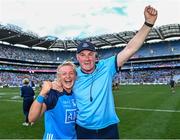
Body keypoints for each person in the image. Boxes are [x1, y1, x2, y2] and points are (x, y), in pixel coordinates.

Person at [49, 5, 158, 139]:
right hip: (83, 131)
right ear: (77, 57)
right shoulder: (73, 75)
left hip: (109, 130)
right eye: (82, 55)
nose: (87, 58)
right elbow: (58, 84)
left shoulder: (107, 67)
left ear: (96, 56)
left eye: (90, 54)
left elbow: (130, 49)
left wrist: (148, 23)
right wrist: (52, 85)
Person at [28, 61, 77, 139]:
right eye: (64, 74)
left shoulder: (77, 95)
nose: (68, 76)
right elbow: (31, 118)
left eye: (71, 73)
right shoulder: (53, 95)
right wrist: (42, 93)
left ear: (75, 76)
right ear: (59, 77)